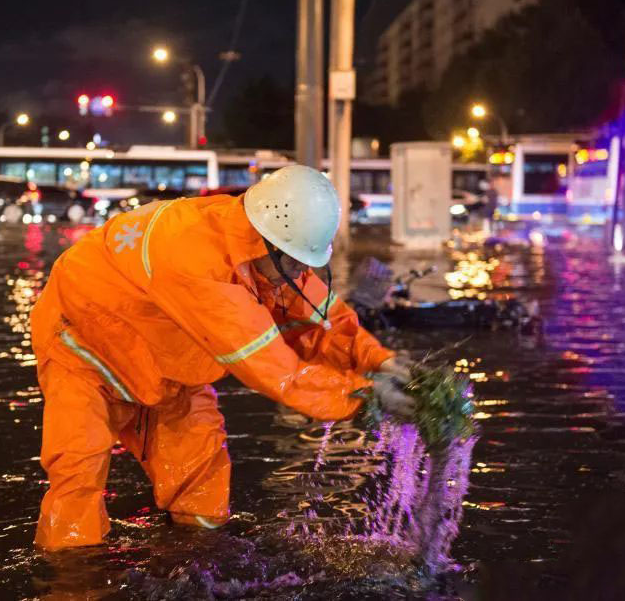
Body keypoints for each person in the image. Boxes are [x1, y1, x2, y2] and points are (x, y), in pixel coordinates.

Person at [30, 165, 415, 550]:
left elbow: (318, 320)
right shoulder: (196, 258)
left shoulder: (263, 248)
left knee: (203, 498)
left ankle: (189, 560)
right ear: (269, 243)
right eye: (296, 263)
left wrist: (376, 360)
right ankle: (71, 582)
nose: (299, 274)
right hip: (83, 353)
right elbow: (278, 371)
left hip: (169, 366)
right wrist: (365, 394)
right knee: (76, 486)